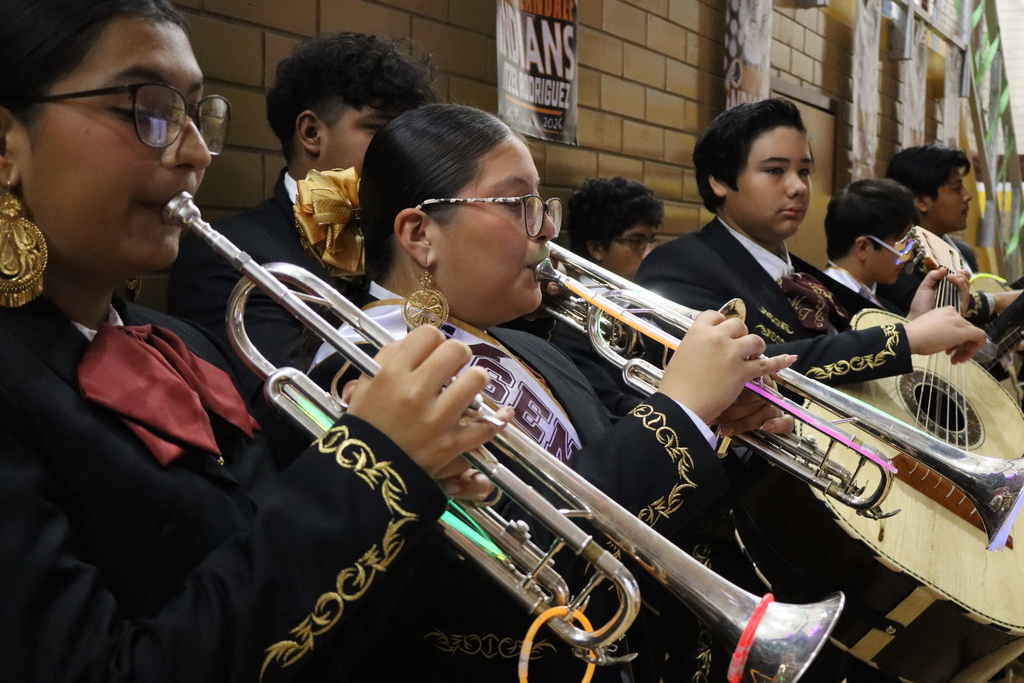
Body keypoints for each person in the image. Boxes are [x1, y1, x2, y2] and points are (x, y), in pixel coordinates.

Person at [0, 2, 511, 680]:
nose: (193, 152)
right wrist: (370, 470)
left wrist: (410, 483)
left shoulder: (184, 345)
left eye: (195, 113)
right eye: (146, 109)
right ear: (6, 145)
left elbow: (301, 628)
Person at [306, 103, 798, 682]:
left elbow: (617, 490)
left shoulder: (527, 346)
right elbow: (520, 560)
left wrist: (714, 425)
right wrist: (681, 410)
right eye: (517, 204)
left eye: (542, 205)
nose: (545, 229)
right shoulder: (358, 377)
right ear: (420, 234)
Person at [635, 99, 985, 387]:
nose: (798, 187)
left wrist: (914, 322)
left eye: (804, 171)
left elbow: (847, 358)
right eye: (775, 170)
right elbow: (739, 370)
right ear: (719, 181)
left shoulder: (803, 274)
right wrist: (903, 338)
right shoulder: (677, 267)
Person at [168, 32, 436, 403]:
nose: (404, 152)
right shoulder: (223, 255)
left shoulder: (407, 241)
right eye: (382, 129)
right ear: (311, 133)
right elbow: (277, 407)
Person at [551, 176, 662, 415]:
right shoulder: (569, 323)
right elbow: (608, 403)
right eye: (637, 241)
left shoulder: (646, 300)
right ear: (597, 248)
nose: (650, 252)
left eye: (651, 240)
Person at [881, 143, 1021, 320]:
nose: (967, 195)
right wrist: (997, 301)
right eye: (956, 188)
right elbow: (923, 306)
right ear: (921, 201)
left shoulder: (964, 253)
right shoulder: (898, 255)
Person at [823, 179, 925, 311]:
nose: (909, 256)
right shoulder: (821, 305)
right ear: (863, 247)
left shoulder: (886, 306)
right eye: (902, 245)